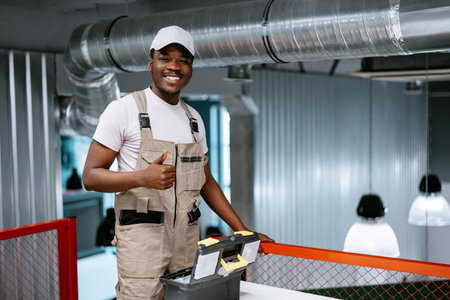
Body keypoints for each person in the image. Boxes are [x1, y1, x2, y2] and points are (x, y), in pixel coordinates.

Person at [82, 25, 274, 300]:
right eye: (165, 58)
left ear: (191, 68)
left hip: (186, 241)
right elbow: (90, 176)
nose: (174, 66)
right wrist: (141, 178)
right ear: (151, 64)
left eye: (183, 60)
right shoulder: (124, 110)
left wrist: (242, 229)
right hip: (142, 242)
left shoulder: (193, 120)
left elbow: (207, 182)